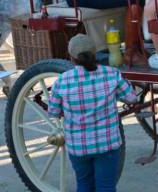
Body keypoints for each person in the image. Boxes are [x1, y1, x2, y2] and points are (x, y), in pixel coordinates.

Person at [48, 34, 137, 192]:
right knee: (106, 186)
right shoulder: (111, 74)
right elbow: (131, 98)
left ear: (71, 57)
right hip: (108, 144)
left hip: (78, 147)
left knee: (84, 184)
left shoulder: (62, 81)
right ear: (95, 54)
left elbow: (53, 111)